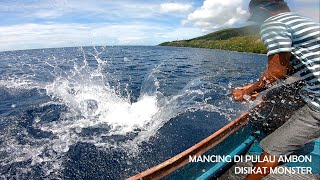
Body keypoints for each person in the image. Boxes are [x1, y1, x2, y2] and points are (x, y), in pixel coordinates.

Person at [231, 0, 320, 179]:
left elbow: (276, 72)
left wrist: (245, 92)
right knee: (274, 94)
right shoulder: (303, 22)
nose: (252, 19)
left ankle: (284, 139)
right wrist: (256, 87)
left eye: (254, 15)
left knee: (272, 147)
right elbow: (289, 70)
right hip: (312, 87)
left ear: (263, 10)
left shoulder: (273, 23)